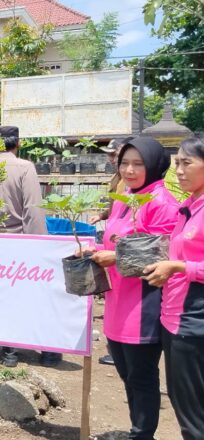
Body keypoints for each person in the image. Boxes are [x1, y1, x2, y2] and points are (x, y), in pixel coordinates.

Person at [85, 136, 179, 440]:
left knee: (141, 376)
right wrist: (93, 252)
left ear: (154, 165)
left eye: (138, 164)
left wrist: (116, 256)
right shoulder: (128, 197)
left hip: (144, 302)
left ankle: (142, 434)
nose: (129, 169)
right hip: (118, 298)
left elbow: (162, 254)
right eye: (124, 162)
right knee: (127, 372)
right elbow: (114, 240)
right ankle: (138, 431)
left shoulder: (161, 202)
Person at [144, 134, 204, 440]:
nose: (178, 171)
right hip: (174, 319)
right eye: (176, 163)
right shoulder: (189, 206)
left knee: (194, 415)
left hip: (194, 322)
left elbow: (183, 263)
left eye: (187, 163)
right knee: (185, 404)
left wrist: (179, 267)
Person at [0, 126, 61, 368]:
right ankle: (49, 350)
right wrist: (41, 245)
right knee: (37, 294)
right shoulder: (24, 167)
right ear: (17, 143)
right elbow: (33, 209)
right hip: (21, 240)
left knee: (4, 296)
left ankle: (9, 351)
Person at [88, 137, 131, 367]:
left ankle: (119, 351)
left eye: (115, 154)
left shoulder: (129, 180)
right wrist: (104, 216)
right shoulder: (119, 177)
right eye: (112, 155)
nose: (111, 158)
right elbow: (116, 207)